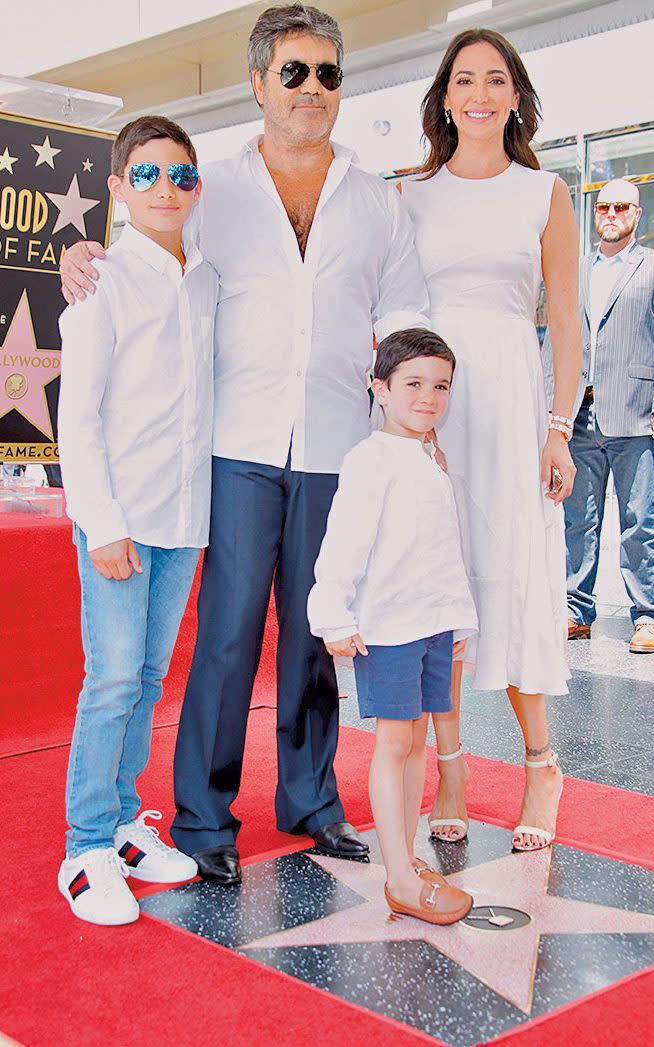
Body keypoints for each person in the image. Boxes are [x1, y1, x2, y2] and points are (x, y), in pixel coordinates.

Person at [59, 5, 430, 885]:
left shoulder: (380, 201)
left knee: (315, 634)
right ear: (259, 82)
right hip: (232, 448)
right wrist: (83, 253)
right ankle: (202, 816)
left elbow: (407, 316)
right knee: (225, 638)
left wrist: (411, 421)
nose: (312, 89)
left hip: (338, 444)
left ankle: (311, 801)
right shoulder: (208, 187)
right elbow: (146, 245)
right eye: (293, 72)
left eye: (328, 73)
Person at [403, 28, 581, 851]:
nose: (478, 93)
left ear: (515, 96)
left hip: (511, 405)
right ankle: (452, 767)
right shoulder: (412, 193)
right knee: (441, 586)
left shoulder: (544, 193)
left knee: (514, 576)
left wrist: (558, 428)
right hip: (434, 411)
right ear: (444, 96)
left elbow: (566, 325)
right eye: (464, 79)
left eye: (495, 79)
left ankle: (543, 764)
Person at [57, 116, 219, 925]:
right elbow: (77, 418)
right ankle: (84, 847)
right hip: (118, 516)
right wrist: (103, 521)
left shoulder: (209, 277)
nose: (167, 189)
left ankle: (123, 821)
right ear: (119, 188)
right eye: (147, 175)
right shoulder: (100, 283)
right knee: (113, 677)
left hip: (184, 515)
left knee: (150, 679)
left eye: (182, 175)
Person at [308, 328, 476, 924]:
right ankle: (398, 874)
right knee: (396, 742)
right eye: (412, 384)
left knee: (418, 741)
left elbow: (439, 549)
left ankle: (406, 859)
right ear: (379, 389)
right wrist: (331, 614)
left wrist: (457, 616)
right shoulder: (370, 459)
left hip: (431, 622)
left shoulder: (429, 456)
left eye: (440, 386)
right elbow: (343, 544)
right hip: (390, 627)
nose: (428, 397)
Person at [543, 179, 654, 653]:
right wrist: (552, 411)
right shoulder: (574, 267)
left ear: (637, 213)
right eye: (604, 206)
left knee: (640, 521)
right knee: (578, 519)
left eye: (621, 206)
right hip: (579, 415)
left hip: (635, 411)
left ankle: (647, 616)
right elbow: (556, 340)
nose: (611, 213)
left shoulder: (650, 267)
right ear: (594, 214)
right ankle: (574, 609)